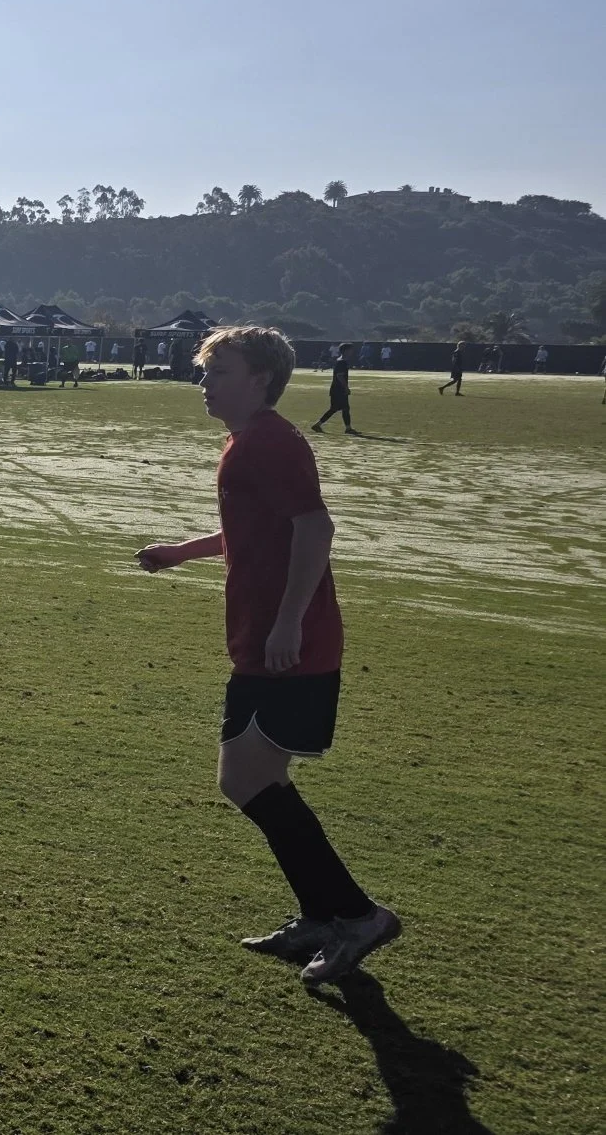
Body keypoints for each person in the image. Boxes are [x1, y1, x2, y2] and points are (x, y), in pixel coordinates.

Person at [133, 326, 399, 984]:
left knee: (244, 779)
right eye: (205, 370)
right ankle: (320, 915)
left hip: (288, 649)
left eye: (218, 371)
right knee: (261, 780)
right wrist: (180, 552)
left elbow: (315, 527)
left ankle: (360, 915)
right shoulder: (247, 443)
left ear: (259, 380)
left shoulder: (271, 443)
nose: (205, 382)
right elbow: (252, 529)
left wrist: (288, 623)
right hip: (265, 642)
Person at [310, 342, 358, 434]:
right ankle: (347, 428)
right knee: (340, 408)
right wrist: (345, 387)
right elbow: (340, 376)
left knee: (340, 408)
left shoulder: (340, 360)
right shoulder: (342, 362)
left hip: (336, 389)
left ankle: (347, 428)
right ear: (345, 351)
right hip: (339, 390)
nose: (352, 352)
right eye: (350, 350)